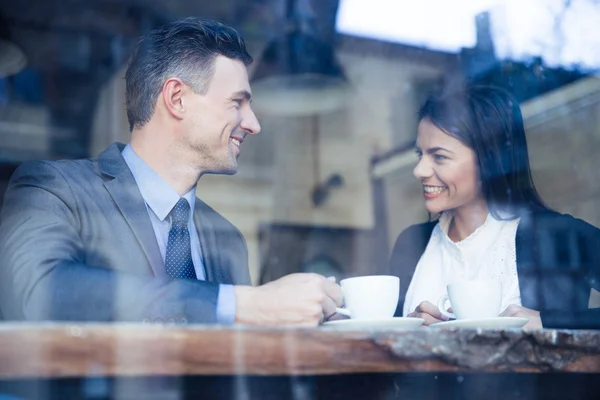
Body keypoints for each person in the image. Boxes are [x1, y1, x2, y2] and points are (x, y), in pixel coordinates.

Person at [0, 18, 342, 326]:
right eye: (237, 102)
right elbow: (36, 292)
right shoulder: (54, 190)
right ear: (176, 98)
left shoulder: (228, 239)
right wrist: (241, 303)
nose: (253, 125)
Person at [389, 84, 600, 329]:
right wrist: (409, 330)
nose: (419, 171)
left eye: (439, 157)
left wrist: (548, 321)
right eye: (420, 154)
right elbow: (381, 341)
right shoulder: (411, 244)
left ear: (490, 160)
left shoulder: (559, 236)